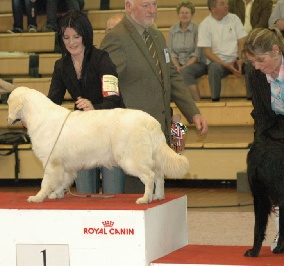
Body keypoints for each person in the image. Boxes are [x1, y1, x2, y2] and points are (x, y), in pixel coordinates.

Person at [100, 0, 208, 193]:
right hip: (132, 132)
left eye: (155, 4)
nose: (152, 11)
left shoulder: (157, 36)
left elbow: (171, 76)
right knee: (136, 194)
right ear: (129, 6)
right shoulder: (116, 37)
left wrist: (193, 113)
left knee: (155, 191)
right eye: (145, 6)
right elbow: (108, 83)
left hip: (159, 128)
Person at [47, 10, 126, 194]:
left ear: (85, 36)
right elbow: (52, 103)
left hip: (110, 135)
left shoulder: (102, 59)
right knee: (84, 196)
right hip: (82, 138)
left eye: (76, 36)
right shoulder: (61, 66)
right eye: (66, 37)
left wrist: (94, 108)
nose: (71, 42)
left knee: (111, 195)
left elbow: (114, 99)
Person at [243, 25, 284, 247]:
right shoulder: (255, 75)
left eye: (261, 60)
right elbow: (261, 115)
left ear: (276, 50)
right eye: (253, 62)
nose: (257, 67)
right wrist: (263, 148)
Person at [197, 0, 247, 101]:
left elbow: (241, 41)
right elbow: (207, 52)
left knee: (252, 65)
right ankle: (215, 101)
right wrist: (225, 64)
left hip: (236, 59)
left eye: (226, 3)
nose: (227, 6)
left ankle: (252, 100)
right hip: (219, 62)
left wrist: (240, 59)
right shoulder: (205, 25)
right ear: (213, 9)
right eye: (222, 4)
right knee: (214, 68)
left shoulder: (234, 18)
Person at [228, 0, 273, 99]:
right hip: (235, 40)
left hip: (257, 41)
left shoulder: (265, 2)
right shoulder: (232, 3)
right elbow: (229, 24)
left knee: (250, 63)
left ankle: (252, 98)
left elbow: (263, 24)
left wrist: (247, 38)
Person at [168, 1, 207, 101]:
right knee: (167, 72)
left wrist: (184, 66)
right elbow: (171, 52)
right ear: (178, 14)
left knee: (185, 72)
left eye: (187, 13)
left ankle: (198, 103)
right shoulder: (172, 29)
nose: (184, 15)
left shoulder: (197, 29)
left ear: (192, 14)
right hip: (178, 63)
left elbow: (197, 54)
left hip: (196, 63)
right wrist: (177, 66)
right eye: (182, 12)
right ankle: (172, 104)